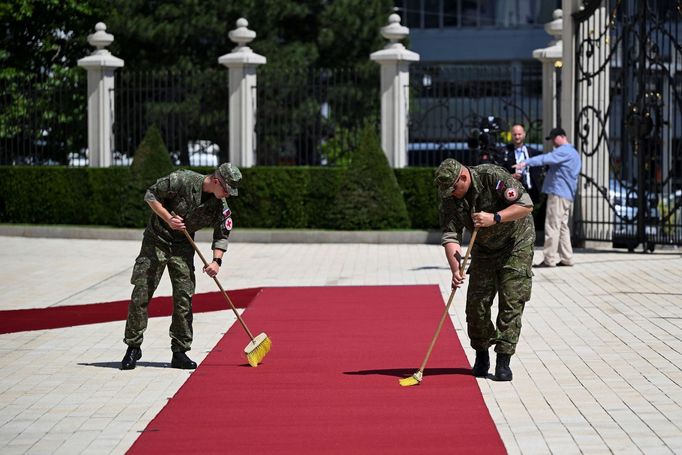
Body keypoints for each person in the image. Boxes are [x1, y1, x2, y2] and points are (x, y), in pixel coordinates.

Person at [121, 163, 242, 370]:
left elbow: (222, 234)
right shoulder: (182, 180)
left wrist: (216, 261)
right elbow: (151, 194)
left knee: (184, 298)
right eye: (226, 189)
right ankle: (133, 347)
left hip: (183, 247)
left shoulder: (220, 206)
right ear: (215, 181)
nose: (227, 195)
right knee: (142, 292)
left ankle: (180, 352)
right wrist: (169, 219)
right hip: (156, 240)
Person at [435, 158, 535, 382]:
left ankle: (503, 359)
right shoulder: (449, 196)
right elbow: (451, 235)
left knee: (511, 299)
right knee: (476, 305)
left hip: (515, 243)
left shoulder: (492, 176)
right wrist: (456, 269)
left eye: (454, 188)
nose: (451, 194)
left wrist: (495, 218)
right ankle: (481, 354)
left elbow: (526, 205)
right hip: (483, 248)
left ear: (463, 177)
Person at [513, 127, 581, 268]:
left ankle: (549, 259)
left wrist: (526, 162)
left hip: (558, 193)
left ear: (561, 137)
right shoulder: (573, 152)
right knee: (562, 226)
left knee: (552, 226)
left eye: (553, 139)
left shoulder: (564, 151)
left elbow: (546, 159)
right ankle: (567, 258)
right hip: (566, 194)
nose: (552, 143)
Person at [497, 123, 544, 204]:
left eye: (519, 134)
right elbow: (498, 172)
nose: (517, 137)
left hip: (530, 190)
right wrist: (511, 176)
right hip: (511, 191)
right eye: (515, 134)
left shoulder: (533, 152)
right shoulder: (504, 152)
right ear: (511, 135)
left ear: (524, 134)